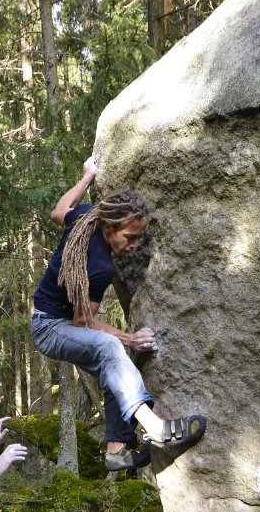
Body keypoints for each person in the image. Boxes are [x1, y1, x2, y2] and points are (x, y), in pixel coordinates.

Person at [31, 156, 207, 472]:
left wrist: (86, 177)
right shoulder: (99, 268)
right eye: (130, 237)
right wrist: (130, 338)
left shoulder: (86, 216)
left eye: (140, 238)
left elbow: (59, 211)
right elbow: (82, 321)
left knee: (112, 367)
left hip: (52, 320)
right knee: (111, 346)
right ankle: (156, 429)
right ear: (110, 227)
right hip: (48, 326)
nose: (135, 245)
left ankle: (116, 449)